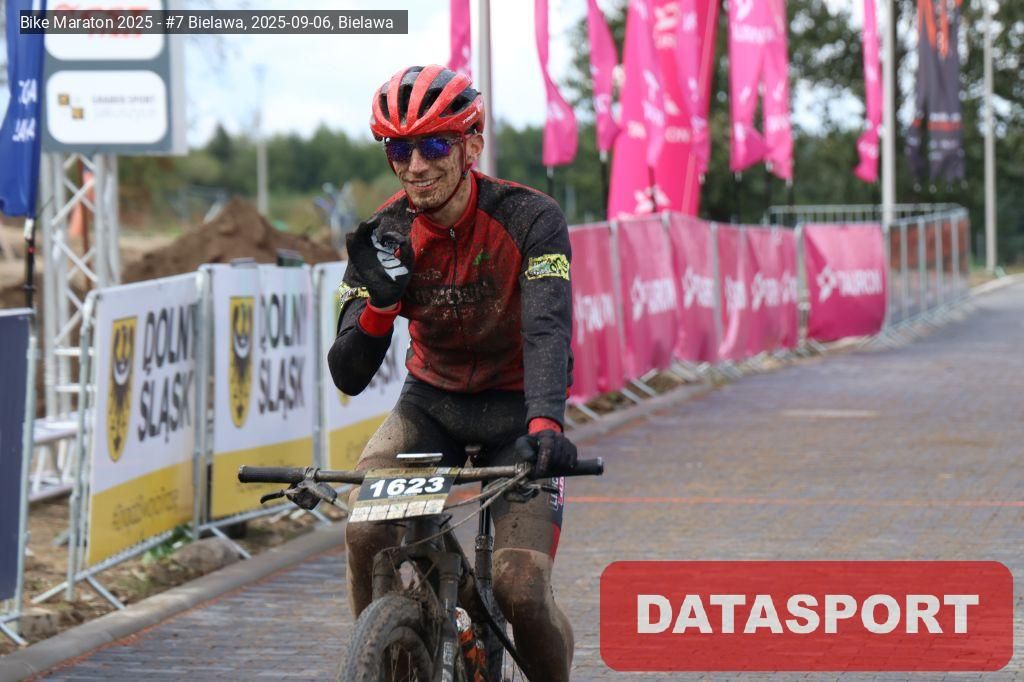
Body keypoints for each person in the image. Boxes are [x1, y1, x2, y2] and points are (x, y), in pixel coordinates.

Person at [327, 64, 578, 680]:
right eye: (399, 150)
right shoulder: (383, 235)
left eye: (434, 146)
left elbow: (546, 327)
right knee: (365, 534)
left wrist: (546, 423)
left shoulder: (531, 218)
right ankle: (383, 656)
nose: (416, 166)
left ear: (471, 146)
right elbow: (347, 374)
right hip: (430, 407)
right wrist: (379, 307)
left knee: (520, 591)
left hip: (517, 411)